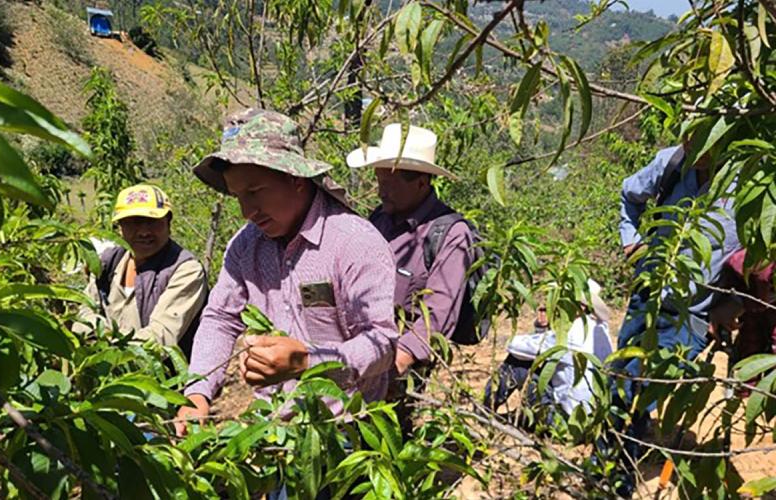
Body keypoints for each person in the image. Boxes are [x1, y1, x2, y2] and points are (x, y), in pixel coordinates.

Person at [175, 109, 398, 436]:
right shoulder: (246, 245)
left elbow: (382, 344)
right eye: (238, 196)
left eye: (255, 192)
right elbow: (221, 317)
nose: (247, 211)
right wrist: (198, 391)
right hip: (275, 426)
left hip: (348, 431)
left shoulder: (353, 242)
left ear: (294, 178)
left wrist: (308, 361)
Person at [610, 138, 740, 495]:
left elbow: (760, 254)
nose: (692, 145)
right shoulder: (671, 163)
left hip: (694, 315)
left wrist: (733, 306)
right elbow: (629, 195)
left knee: (649, 389)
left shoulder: (745, 184)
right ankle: (610, 474)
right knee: (622, 385)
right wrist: (632, 242)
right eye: (687, 135)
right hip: (647, 297)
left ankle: (621, 466)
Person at [346, 123, 476, 376]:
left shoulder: (451, 235)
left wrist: (398, 363)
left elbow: (439, 313)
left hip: (399, 367)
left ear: (421, 183)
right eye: (379, 181)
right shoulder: (380, 219)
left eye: (390, 184)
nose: (381, 191)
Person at [75, 184, 208, 359]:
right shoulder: (108, 262)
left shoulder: (185, 271)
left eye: (152, 222)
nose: (144, 232)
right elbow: (85, 309)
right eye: (134, 222)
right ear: (120, 226)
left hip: (159, 378)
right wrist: (97, 332)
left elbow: (159, 339)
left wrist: (101, 340)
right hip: (103, 369)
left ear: (168, 223)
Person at [484, 280, 613, 421]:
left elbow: (516, 346)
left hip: (567, 419)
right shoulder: (600, 328)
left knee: (518, 363)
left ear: (580, 307)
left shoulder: (569, 333)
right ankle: (513, 416)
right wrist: (543, 328)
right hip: (593, 416)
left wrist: (540, 330)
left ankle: (485, 410)